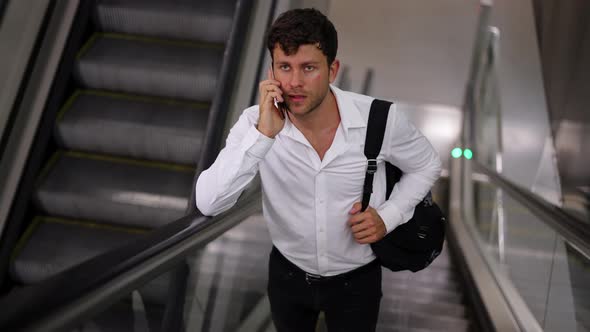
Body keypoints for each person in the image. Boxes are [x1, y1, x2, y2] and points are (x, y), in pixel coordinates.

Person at [195, 8, 441, 332]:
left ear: (332, 69)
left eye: (308, 68)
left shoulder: (380, 119)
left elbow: (427, 164)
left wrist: (390, 215)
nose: (294, 82)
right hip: (287, 274)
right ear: (271, 70)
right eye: (284, 67)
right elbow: (209, 202)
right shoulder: (255, 123)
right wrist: (263, 137)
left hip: (357, 280)